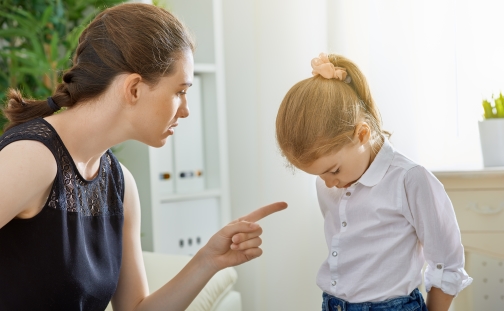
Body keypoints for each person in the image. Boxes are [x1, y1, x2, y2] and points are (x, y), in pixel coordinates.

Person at [0, 3, 287, 310]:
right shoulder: (33, 158)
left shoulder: (120, 185)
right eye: (180, 91)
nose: (186, 109)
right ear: (134, 88)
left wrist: (208, 260)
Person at [275, 53, 472, 311]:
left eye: (333, 170)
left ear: (362, 134)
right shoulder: (328, 184)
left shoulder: (410, 179)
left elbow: (446, 262)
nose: (328, 183)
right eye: (318, 175)